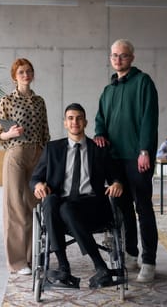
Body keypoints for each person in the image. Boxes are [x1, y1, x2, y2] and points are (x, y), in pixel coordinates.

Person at [30, 103, 123, 288]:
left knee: (65, 208)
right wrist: (38, 184)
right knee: (51, 201)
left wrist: (117, 183)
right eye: (71, 118)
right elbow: (35, 177)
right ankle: (96, 267)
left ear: (85, 122)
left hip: (91, 206)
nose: (75, 122)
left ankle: (66, 270)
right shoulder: (52, 149)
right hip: (59, 206)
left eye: (79, 118)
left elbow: (115, 176)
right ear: (65, 123)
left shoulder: (98, 149)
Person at [94, 39, 158, 283]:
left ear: (131, 58)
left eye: (122, 55)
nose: (117, 59)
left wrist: (145, 151)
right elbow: (100, 118)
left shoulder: (143, 82)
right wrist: (99, 133)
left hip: (136, 157)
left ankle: (149, 261)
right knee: (124, 210)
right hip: (114, 159)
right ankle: (131, 253)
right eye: (114, 55)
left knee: (143, 208)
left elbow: (149, 119)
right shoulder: (108, 90)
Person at [0, 58, 50, 275]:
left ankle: (32, 257)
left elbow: (46, 132)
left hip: (38, 154)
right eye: (21, 72)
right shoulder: (6, 100)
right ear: (14, 77)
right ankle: (18, 262)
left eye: (28, 71)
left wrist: (46, 157)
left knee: (34, 205)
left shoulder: (39, 101)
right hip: (16, 154)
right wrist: (10, 133)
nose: (26, 75)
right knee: (16, 208)